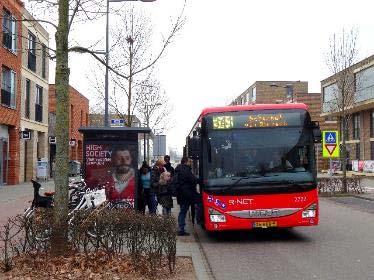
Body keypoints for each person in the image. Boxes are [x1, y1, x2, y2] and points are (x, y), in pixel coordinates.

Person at [175, 157, 198, 236]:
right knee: (183, 211)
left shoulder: (178, 169)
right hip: (186, 194)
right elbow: (193, 180)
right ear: (185, 162)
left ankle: (181, 228)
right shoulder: (185, 170)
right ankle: (181, 229)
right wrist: (197, 179)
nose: (191, 162)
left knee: (182, 210)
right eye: (189, 161)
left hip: (180, 194)